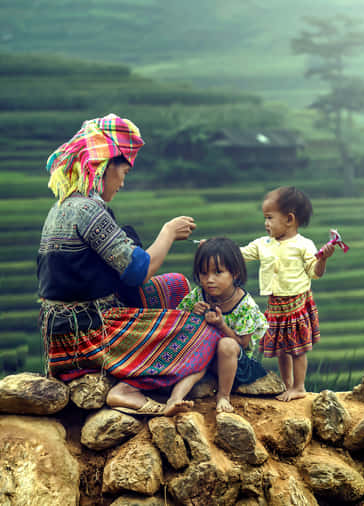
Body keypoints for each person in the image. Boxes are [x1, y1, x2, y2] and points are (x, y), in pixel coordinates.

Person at [37, 113, 226, 416]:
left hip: (62, 331)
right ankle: (131, 388)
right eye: (122, 171)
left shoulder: (62, 207)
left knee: (176, 285)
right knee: (204, 330)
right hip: (89, 331)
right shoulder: (90, 211)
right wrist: (168, 232)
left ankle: (150, 359)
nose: (123, 181)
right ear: (104, 166)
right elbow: (138, 271)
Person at [241, 186, 335, 401]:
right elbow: (240, 254)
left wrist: (323, 259)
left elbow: (315, 272)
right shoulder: (262, 244)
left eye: (269, 218)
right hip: (276, 306)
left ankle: (299, 387)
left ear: (289, 219)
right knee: (283, 349)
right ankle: (287, 385)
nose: (265, 223)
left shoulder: (304, 245)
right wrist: (218, 248)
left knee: (297, 349)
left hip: (296, 305)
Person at [177, 237, 269, 413]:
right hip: (205, 359)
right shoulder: (198, 295)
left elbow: (242, 343)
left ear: (234, 273)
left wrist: (221, 325)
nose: (209, 280)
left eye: (217, 273)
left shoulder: (245, 305)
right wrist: (192, 315)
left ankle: (224, 395)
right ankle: (176, 394)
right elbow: (179, 321)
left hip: (236, 364)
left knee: (226, 344)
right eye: (204, 274)